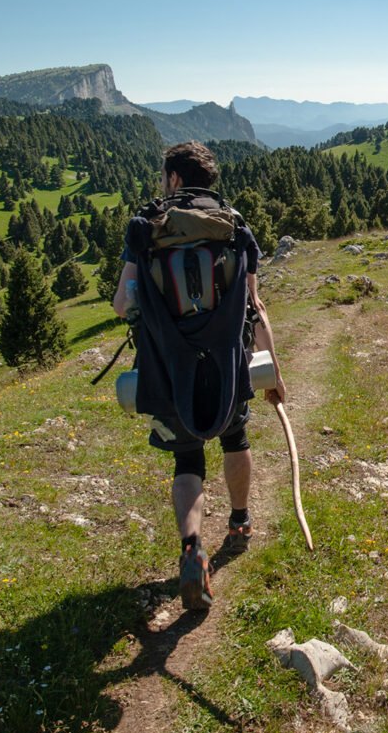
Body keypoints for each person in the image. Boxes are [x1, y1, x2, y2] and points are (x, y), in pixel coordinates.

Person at [112, 141, 286, 610]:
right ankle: (240, 519)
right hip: (226, 367)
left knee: (187, 463)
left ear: (172, 178)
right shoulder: (233, 226)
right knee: (236, 441)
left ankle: (192, 547)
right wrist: (275, 372)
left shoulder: (146, 226)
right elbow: (255, 306)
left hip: (168, 370)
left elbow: (122, 304)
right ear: (208, 181)